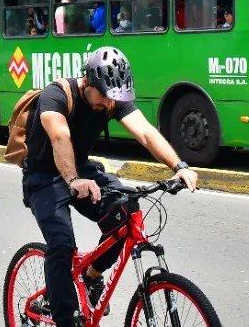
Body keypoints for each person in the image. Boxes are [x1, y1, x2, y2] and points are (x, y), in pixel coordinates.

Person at [22, 47, 198, 327]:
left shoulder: (112, 100)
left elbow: (145, 132)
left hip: (82, 171)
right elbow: (59, 136)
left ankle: (91, 276)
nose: (108, 103)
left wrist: (179, 166)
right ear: (88, 82)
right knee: (62, 244)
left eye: (114, 97)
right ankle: (65, 319)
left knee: (125, 213)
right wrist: (73, 180)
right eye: (103, 96)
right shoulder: (56, 95)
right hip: (44, 177)